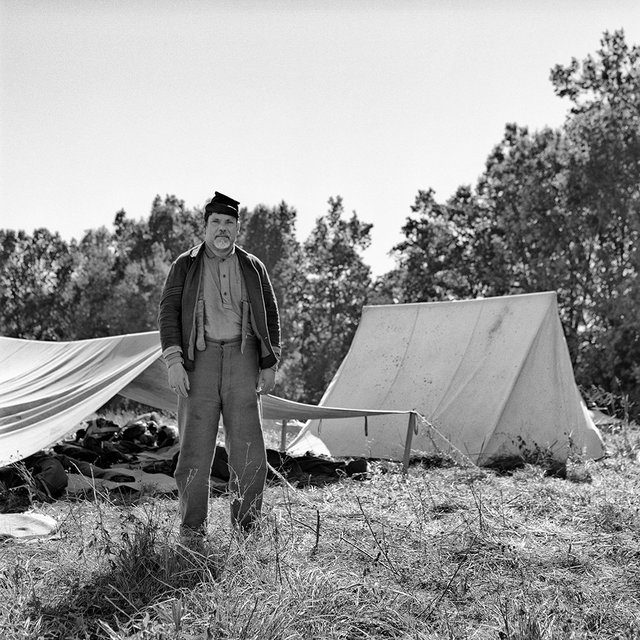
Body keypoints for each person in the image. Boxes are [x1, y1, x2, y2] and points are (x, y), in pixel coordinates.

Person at [158, 191, 280, 539]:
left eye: (229, 223)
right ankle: (192, 529)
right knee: (195, 448)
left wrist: (270, 362)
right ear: (205, 226)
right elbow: (168, 312)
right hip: (199, 360)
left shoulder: (253, 266)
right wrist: (173, 361)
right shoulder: (186, 263)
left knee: (248, 448)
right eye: (216, 222)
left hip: (244, 358)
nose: (222, 229)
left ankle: (247, 529)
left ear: (238, 228)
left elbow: (269, 313)